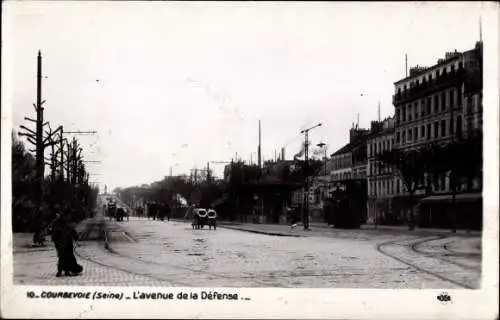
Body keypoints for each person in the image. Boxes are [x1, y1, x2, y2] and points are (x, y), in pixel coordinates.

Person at [50, 213, 83, 277]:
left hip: (60, 246)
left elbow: (54, 237)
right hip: (67, 245)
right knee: (69, 258)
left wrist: (56, 242)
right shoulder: (68, 227)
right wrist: (76, 238)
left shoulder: (58, 226)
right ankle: (67, 270)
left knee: (62, 257)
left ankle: (61, 271)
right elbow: (74, 234)